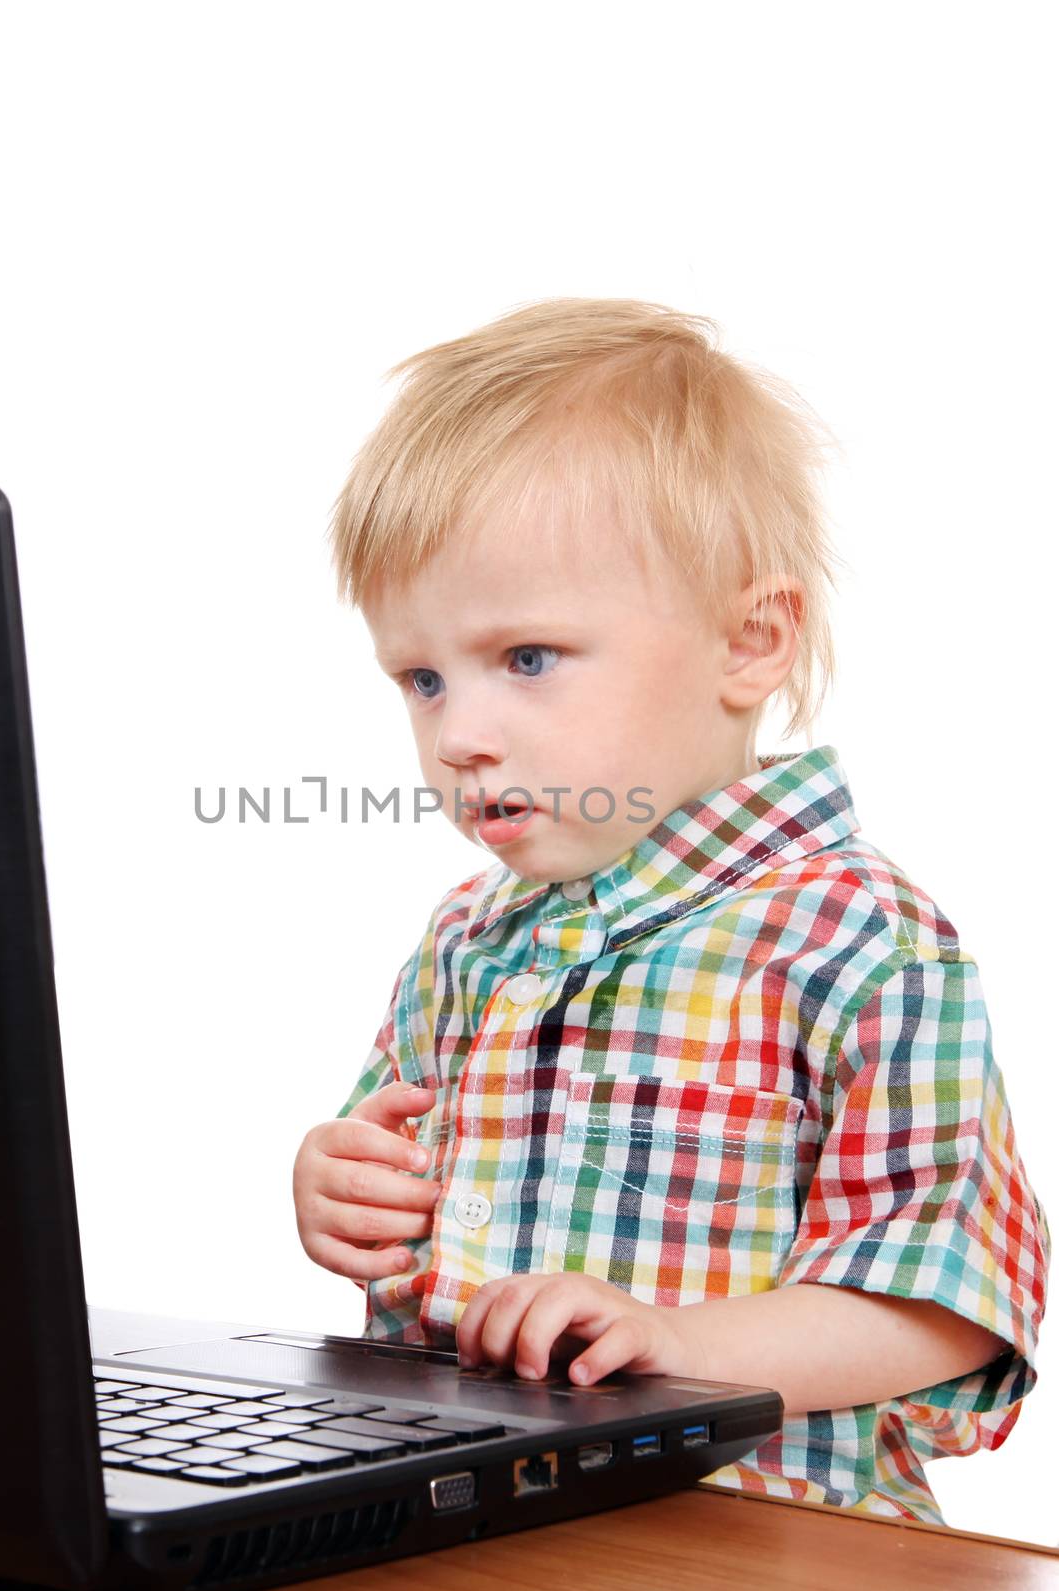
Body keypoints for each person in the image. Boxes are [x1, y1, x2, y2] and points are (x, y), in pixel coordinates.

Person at [291, 297, 1049, 1522]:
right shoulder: (465, 944)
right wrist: (342, 1186)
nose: (461, 737)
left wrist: (671, 1343)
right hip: (471, 1524)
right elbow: (399, 1198)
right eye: (422, 679)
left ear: (749, 643)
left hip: (763, 1538)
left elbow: (941, 1305)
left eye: (527, 658)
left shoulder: (856, 939)